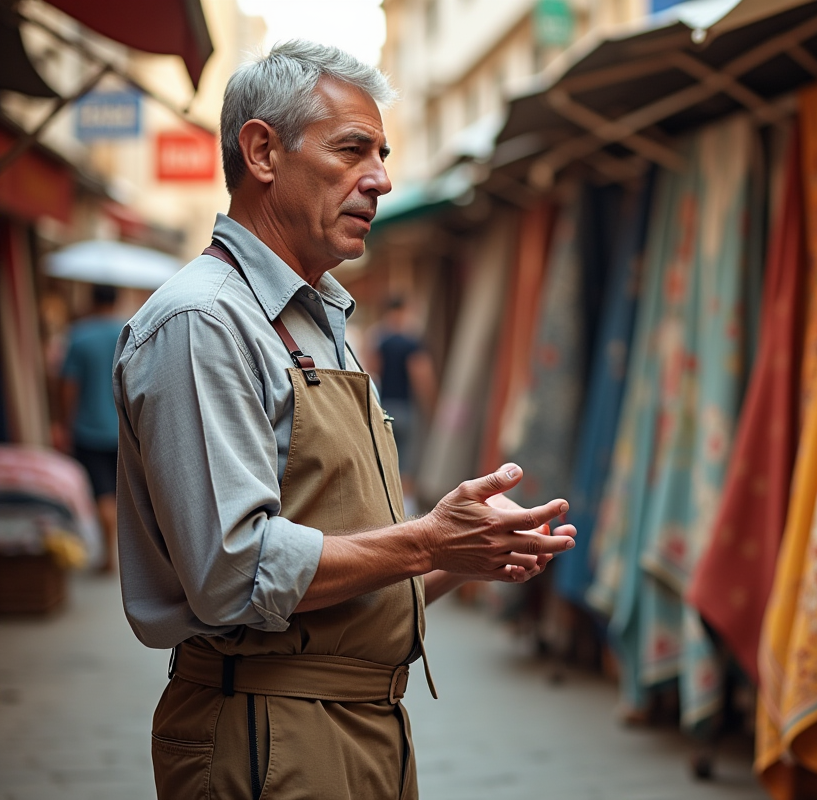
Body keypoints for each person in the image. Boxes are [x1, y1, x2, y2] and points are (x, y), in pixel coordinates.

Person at [112, 41, 576, 800]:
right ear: (262, 151)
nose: (381, 180)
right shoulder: (204, 322)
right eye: (353, 149)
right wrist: (426, 537)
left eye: (383, 154)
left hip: (361, 727)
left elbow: (347, 569)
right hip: (269, 735)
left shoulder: (322, 320)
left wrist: (456, 555)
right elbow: (235, 574)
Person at [60, 283, 123, 571]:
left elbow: (69, 386)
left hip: (89, 429)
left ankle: (109, 556)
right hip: (124, 427)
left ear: (91, 300)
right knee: (123, 491)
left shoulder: (79, 336)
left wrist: (63, 422)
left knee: (103, 494)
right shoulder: (129, 331)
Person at [373, 294, 437, 512]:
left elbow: (371, 371)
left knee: (385, 461)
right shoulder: (411, 343)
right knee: (407, 464)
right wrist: (431, 406)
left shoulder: (380, 341)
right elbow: (421, 377)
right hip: (406, 409)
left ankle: (386, 509)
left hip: (383, 408)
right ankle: (406, 514)